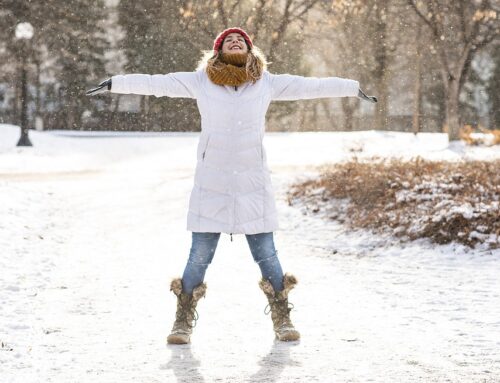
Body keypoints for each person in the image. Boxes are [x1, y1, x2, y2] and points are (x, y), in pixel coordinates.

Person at [87, 27, 377, 344]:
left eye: (241, 39)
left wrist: (352, 88)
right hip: (212, 182)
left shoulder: (266, 82)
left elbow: (310, 86)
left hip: (253, 182)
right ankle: (182, 321)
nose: (235, 40)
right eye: (228, 40)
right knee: (199, 255)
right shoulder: (201, 81)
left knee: (266, 253)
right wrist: (117, 83)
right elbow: (160, 83)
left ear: (250, 51)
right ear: (219, 51)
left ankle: (282, 319)